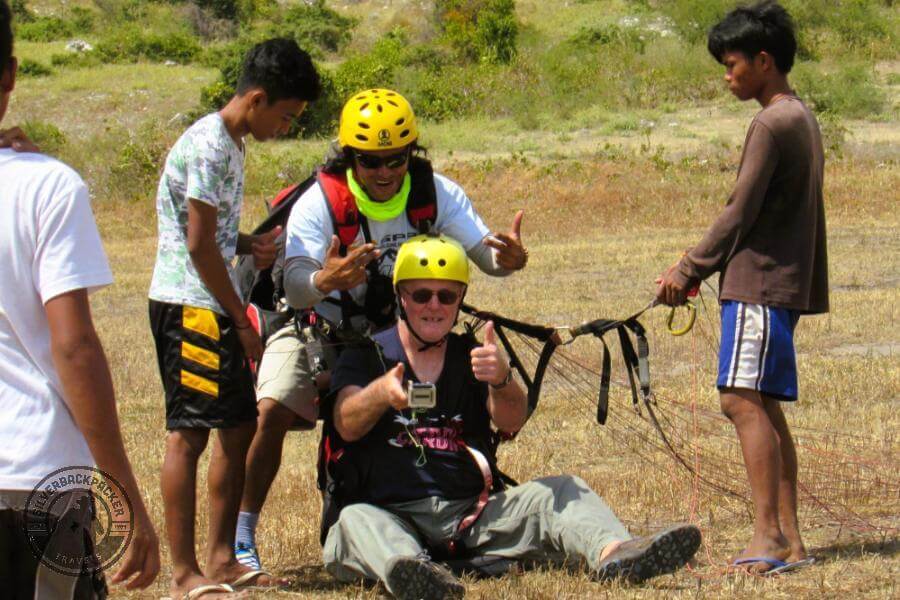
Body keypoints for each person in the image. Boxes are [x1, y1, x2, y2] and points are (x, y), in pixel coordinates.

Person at [235, 88, 529, 569]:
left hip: (401, 337)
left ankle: (436, 512)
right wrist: (324, 280)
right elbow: (295, 283)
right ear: (350, 158)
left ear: (411, 153)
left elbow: (488, 258)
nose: (386, 172)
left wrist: (512, 260)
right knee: (270, 409)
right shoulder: (320, 203)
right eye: (371, 161)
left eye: (396, 158)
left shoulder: (436, 192)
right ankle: (242, 536)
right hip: (324, 329)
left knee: (440, 405)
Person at [322, 234, 701, 599]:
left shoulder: (472, 354)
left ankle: (616, 553)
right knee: (353, 523)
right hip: (391, 514)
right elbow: (345, 423)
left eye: (447, 295)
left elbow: (510, 421)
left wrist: (502, 380)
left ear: (460, 300)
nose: (434, 306)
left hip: (471, 514)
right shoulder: (367, 355)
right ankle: (414, 573)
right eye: (421, 294)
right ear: (401, 297)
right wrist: (380, 393)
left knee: (564, 490)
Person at [656, 1, 827, 576]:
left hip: (758, 285)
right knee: (764, 407)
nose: (727, 76)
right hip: (777, 284)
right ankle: (791, 540)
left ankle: (769, 535)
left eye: (732, 65)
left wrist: (689, 269)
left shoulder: (770, 123)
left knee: (738, 399)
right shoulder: (799, 116)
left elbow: (738, 211)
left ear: (764, 60)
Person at [147, 38, 320, 597]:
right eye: (287, 116)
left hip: (207, 299)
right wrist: (241, 321)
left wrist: (247, 242)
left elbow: (208, 234)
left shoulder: (231, 144)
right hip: (192, 306)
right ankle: (184, 573)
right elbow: (198, 246)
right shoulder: (211, 146)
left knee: (238, 424)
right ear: (258, 98)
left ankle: (222, 559)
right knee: (189, 437)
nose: (287, 127)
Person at [0, 1, 160, 597]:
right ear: (11, 74)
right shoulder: (45, 186)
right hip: (33, 476)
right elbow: (74, 347)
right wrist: (123, 493)